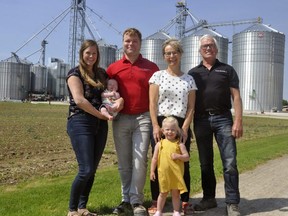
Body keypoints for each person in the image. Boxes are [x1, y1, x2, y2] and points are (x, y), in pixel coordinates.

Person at [188, 34, 243, 216]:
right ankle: (209, 199)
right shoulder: (193, 73)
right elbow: (189, 101)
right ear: (199, 50)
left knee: (229, 162)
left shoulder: (227, 70)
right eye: (204, 46)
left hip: (223, 119)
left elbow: (236, 96)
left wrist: (238, 120)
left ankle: (232, 203)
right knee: (205, 163)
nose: (208, 48)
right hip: (201, 120)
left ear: (217, 49)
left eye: (211, 45)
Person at [66, 39, 123, 216]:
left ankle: (83, 208)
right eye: (88, 53)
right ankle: (72, 209)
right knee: (86, 169)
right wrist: (101, 115)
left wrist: (119, 101)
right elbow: (80, 100)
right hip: (81, 121)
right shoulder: (75, 73)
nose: (91, 56)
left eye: (94, 53)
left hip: (100, 124)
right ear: (82, 54)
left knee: (93, 168)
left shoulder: (101, 74)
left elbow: (111, 94)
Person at [106, 28, 159, 216]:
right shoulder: (113, 68)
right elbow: (107, 94)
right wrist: (112, 105)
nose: (130, 44)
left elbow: (156, 97)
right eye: (127, 41)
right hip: (120, 119)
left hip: (142, 118)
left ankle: (137, 200)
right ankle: (125, 199)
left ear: (140, 43)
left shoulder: (151, 68)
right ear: (123, 42)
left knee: (139, 161)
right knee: (124, 161)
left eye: (134, 41)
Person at [148, 38, 197, 215]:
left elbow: (191, 107)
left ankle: (184, 201)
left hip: (180, 123)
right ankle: (156, 199)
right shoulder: (157, 76)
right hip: (162, 123)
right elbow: (152, 104)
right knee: (159, 161)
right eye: (168, 53)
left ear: (180, 54)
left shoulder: (189, 79)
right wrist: (155, 125)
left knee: (182, 161)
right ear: (164, 56)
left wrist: (184, 127)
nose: (171, 56)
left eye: (174, 52)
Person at [150, 116, 190, 216]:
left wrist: (179, 156)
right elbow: (154, 159)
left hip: (175, 174)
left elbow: (187, 157)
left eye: (173, 130)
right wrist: (152, 171)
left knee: (175, 194)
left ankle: (176, 211)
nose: (170, 132)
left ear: (177, 131)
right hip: (163, 174)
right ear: (162, 131)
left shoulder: (180, 144)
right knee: (162, 193)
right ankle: (159, 211)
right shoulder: (159, 144)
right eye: (167, 129)